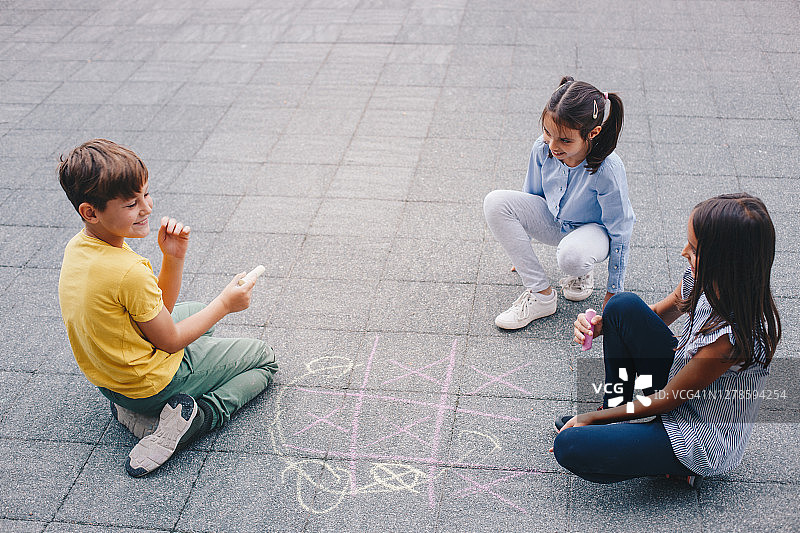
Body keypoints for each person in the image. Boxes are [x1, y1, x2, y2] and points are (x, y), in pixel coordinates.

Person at [57, 139, 278, 477]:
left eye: (145, 194)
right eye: (132, 203)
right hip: (149, 384)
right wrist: (225, 304)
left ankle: (138, 412)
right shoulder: (128, 271)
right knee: (263, 359)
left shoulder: (79, 247)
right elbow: (170, 341)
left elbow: (157, 311)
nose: (146, 208)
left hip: (112, 381)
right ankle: (194, 419)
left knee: (196, 311)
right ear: (91, 211)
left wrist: (173, 258)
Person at [552, 193, 781, 487]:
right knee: (621, 306)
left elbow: (668, 399)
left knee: (569, 446)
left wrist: (592, 421)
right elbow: (658, 313)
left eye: (695, 249)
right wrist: (604, 326)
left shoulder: (731, 338)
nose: (685, 252)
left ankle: (675, 466)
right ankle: (615, 413)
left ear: (726, 261)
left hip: (697, 437)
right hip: (677, 391)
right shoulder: (703, 276)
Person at [483, 76, 633, 329]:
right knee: (495, 202)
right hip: (556, 221)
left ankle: (582, 268)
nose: (553, 145)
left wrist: (613, 293)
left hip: (594, 234)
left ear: (593, 133)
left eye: (565, 140)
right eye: (547, 132)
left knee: (572, 257)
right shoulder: (542, 148)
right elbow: (531, 196)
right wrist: (520, 249)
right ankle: (541, 295)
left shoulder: (608, 168)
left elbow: (620, 228)